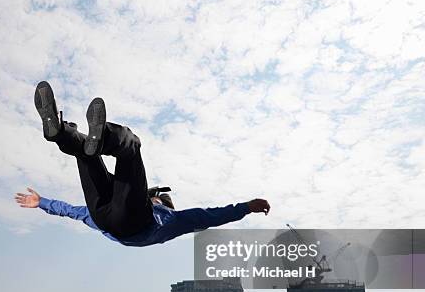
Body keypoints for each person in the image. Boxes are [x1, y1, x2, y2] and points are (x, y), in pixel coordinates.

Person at [15, 81, 270, 247]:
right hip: (105, 219)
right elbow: (70, 210)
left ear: (159, 202)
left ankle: (93, 137)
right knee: (86, 154)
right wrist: (42, 203)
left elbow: (210, 215)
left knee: (132, 147)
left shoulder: (170, 218)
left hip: (130, 222)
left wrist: (244, 207)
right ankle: (59, 132)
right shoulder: (169, 223)